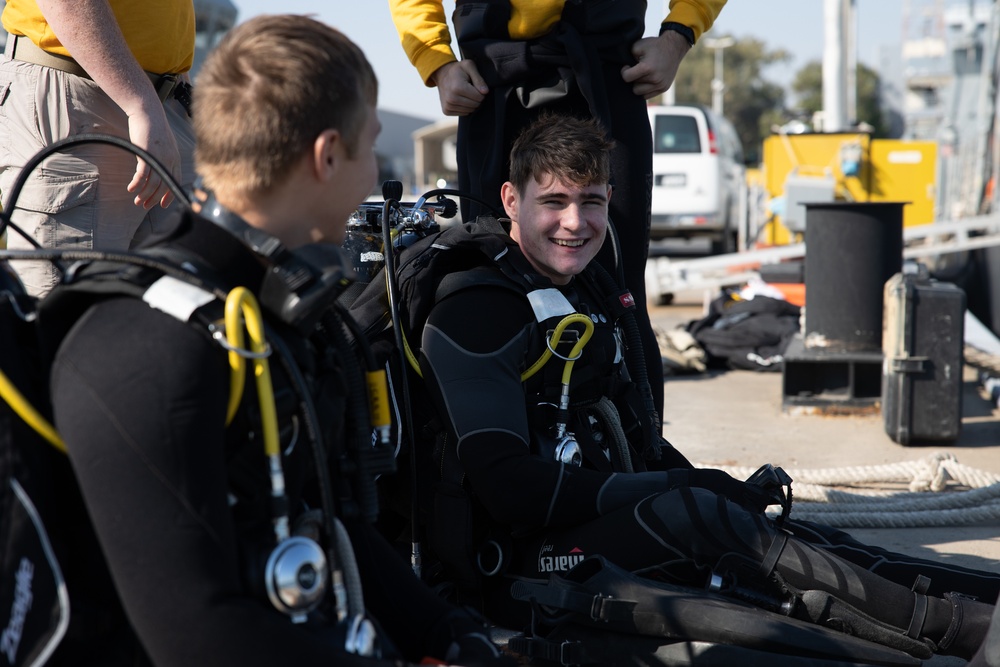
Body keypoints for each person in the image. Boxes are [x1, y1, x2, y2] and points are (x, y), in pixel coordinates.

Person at [383, 112, 999, 661]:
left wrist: (709, 485)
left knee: (775, 526)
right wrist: (680, 487)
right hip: (513, 567)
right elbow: (509, 490)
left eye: (592, 201)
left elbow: (631, 439)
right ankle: (958, 632)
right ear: (511, 200)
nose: (575, 222)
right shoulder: (476, 310)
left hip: (577, 524)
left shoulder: (585, 290)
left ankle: (978, 599)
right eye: (555, 201)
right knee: (701, 515)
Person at [40, 14, 511, 666]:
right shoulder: (152, 346)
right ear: (325, 156)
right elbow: (196, 636)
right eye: (369, 148)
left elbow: (331, 513)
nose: (374, 174)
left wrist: (449, 634)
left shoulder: (265, 316)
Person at [389, 0, 728, 421]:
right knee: (487, 283)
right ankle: (498, 459)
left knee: (616, 290)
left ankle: (636, 460)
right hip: (488, 85)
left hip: (606, 71)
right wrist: (435, 60)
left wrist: (678, 35)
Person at [0, 0, 197, 296]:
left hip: (160, 109)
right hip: (79, 91)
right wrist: (140, 104)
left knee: (171, 317)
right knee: (68, 315)